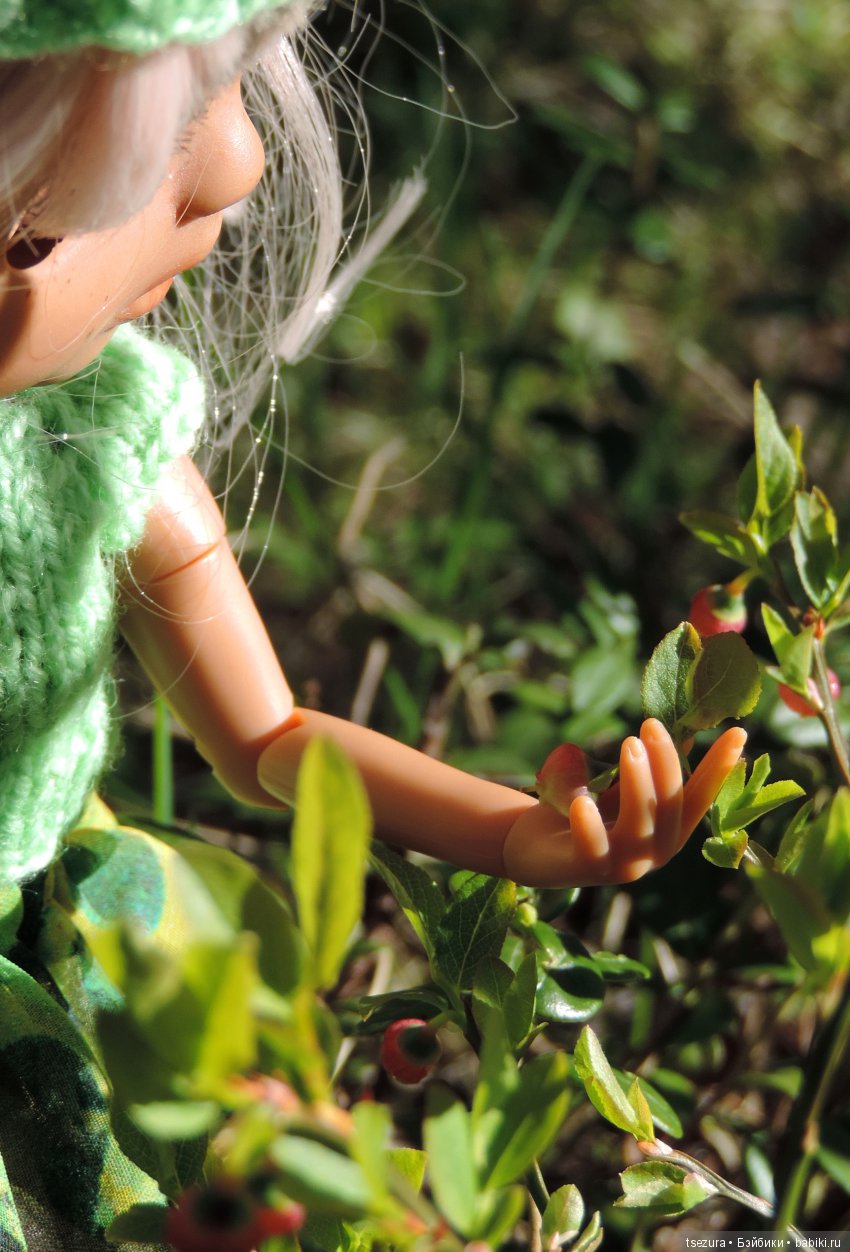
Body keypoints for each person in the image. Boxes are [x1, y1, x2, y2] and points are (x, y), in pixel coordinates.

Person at [0, 0, 746, 1245]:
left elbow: (270, 737)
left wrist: (512, 831)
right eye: (40, 228)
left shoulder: (99, 446)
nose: (234, 165)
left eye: (222, 92)